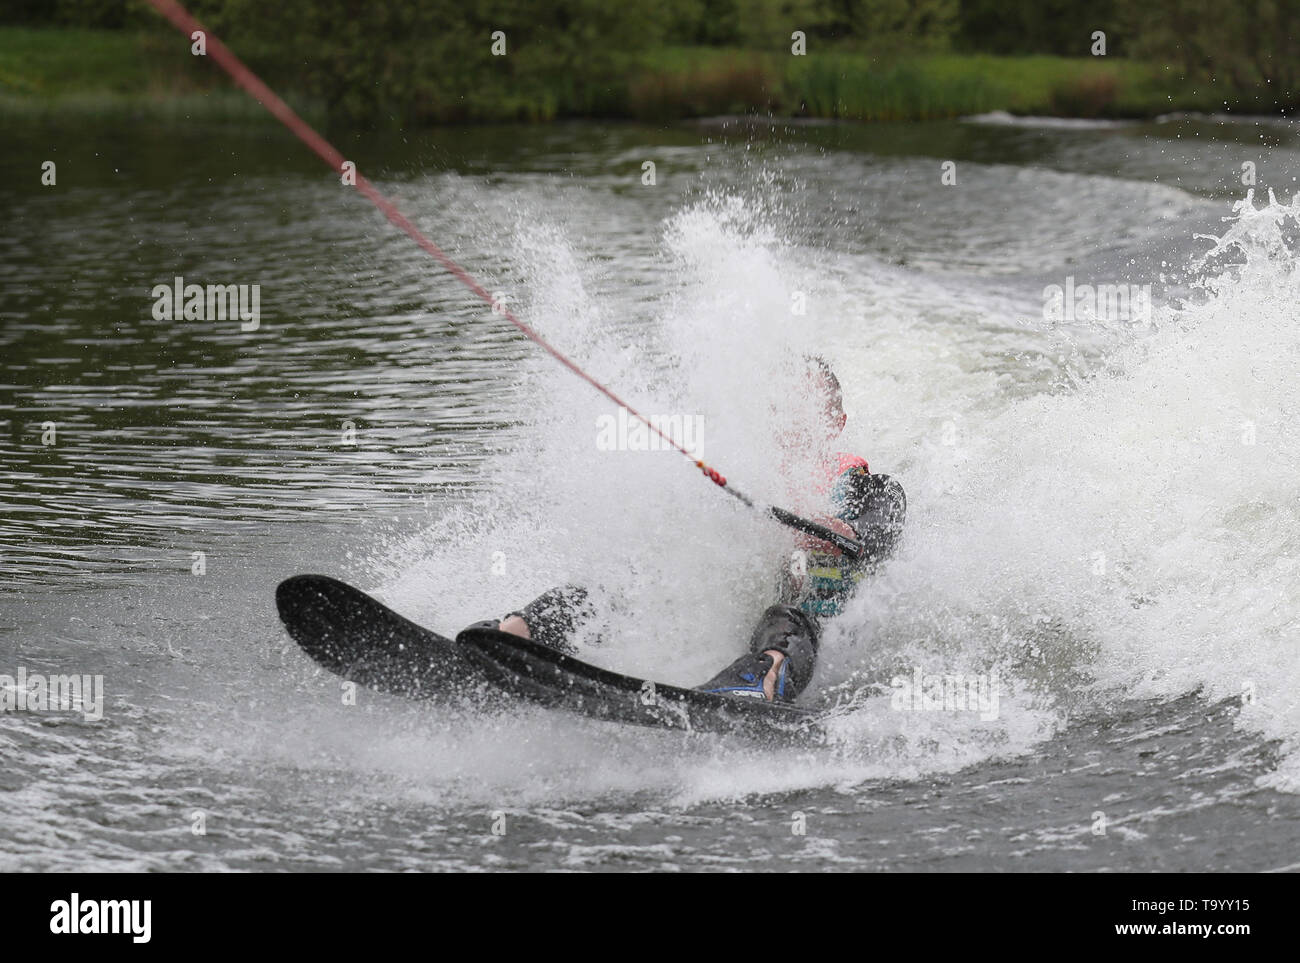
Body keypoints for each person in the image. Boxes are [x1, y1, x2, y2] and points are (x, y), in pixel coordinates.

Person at [471, 357, 906, 704]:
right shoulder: (749, 472)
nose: (795, 419)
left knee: (785, 619)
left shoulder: (868, 486)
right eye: (785, 407)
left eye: (809, 408)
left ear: (836, 423)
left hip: (816, 622)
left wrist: (836, 528)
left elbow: (882, 529)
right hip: (728, 612)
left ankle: (757, 685)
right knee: (625, 583)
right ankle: (516, 635)